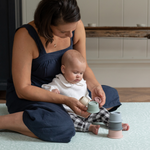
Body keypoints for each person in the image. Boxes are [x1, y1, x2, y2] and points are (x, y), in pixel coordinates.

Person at [0, 0, 121, 142]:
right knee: (63, 128)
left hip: (65, 85)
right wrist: (65, 100)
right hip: (35, 94)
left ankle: (57, 114)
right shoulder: (25, 36)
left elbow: (84, 67)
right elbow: (23, 89)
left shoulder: (76, 26)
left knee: (111, 95)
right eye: (63, 31)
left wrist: (94, 86)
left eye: (73, 29)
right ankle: (4, 122)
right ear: (47, 24)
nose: (70, 35)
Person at [42, 50, 129, 135]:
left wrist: (93, 102)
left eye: (81, 73)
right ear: (63, 69)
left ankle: (114, 124)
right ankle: (89, 127)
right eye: (75, 72)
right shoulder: (59, 81)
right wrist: (53, 91)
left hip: (87, 112)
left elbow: (86, 96)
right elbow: (45, 87)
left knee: (102, 111)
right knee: (69, 120)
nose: (78, 76)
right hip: (71, 113)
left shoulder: (82, 82)